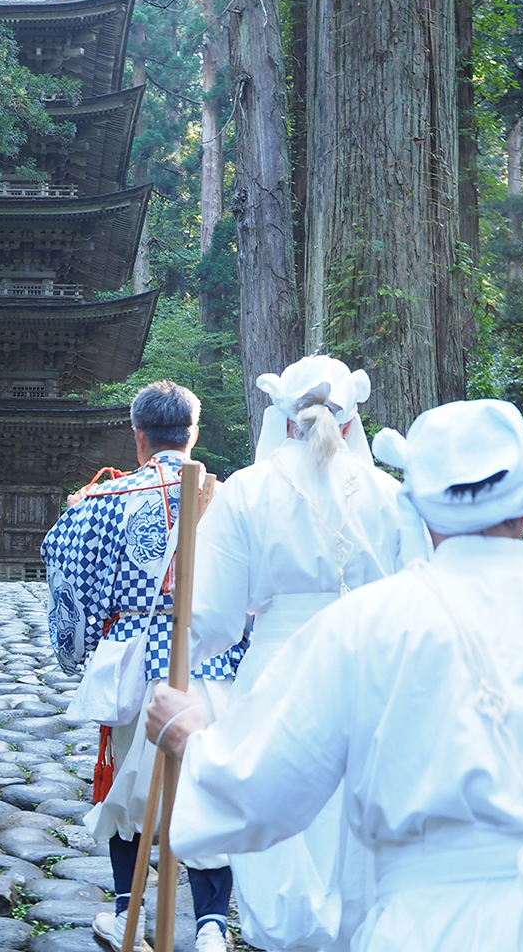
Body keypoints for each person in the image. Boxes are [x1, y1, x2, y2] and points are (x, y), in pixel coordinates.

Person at [149, 398, 523, 952]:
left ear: (419, 510)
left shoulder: (366, 628)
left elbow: (263, 789)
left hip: (435, 929)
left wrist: (190, 735)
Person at [184, 355, 402, 952]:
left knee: (276, 792)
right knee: (353, 802)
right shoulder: (389, 495)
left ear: (280, 419)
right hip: (370, 662)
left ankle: (282, 933)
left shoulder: (248, 492)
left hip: (277, 661)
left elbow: (210, 617)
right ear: (353, 420)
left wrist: (172, 666)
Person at [42, 380, 247, 952]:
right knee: (206, 782)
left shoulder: (100, 501)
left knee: (128, 787)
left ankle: (122, 910)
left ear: (138, 436)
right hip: (213, 656)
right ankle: (211, 923)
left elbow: (65, 577)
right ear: (194, 433)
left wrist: (80, 650)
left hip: (132, 657)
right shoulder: (228, 497)